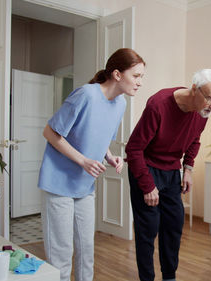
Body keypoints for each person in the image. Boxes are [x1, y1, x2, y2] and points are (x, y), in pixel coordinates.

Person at [38, 48, 145, 281]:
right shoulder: (86, 94)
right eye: (136, 76)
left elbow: (100, 136)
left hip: (84, 187)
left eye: (141, 78)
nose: (139, 83)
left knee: (86, 252)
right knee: (61, 255)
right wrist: (83, 160)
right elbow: (50, 132)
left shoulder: (120, 104)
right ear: (117, 74)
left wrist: (109, 156)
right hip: (59, 184)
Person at [125, 69, 211, 281]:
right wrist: (147, 185)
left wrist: (188, 169)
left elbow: (194, 140)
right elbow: (134, 149)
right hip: (146, 168)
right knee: (148, 230)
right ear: (195, 89)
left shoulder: (202, 112)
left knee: (173, 225)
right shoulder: (159, 105)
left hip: (172, 171)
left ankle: (169, 277)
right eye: (210, 98)